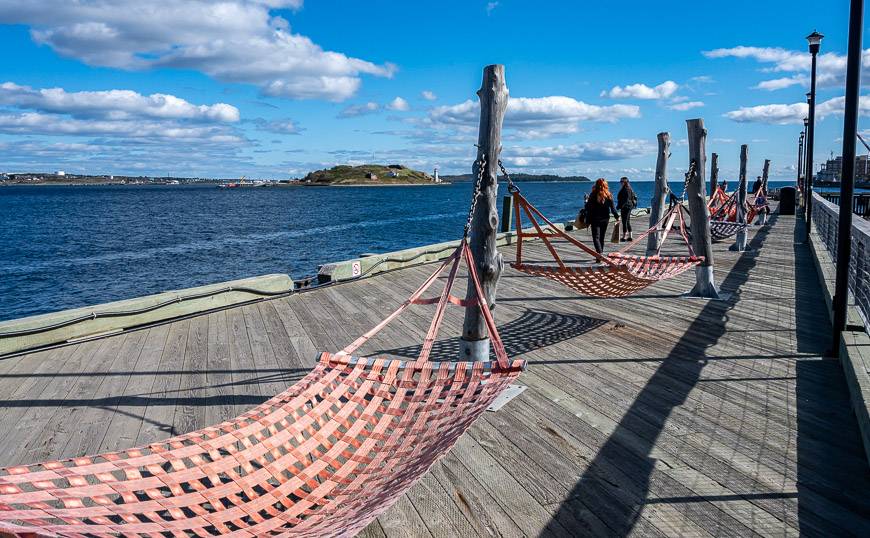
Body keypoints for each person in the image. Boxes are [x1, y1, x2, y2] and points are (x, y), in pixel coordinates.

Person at [584, 178, 619, 254]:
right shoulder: (609, 195)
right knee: (601, 238)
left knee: (596, 237)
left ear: (596, 185)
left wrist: (586, 201)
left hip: (595, 219)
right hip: (605, 219)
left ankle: (600, 255)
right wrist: (617, 217)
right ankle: (600, 255)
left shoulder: (593, 194)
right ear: (606, 185)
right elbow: (613, 209)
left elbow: (587, 207)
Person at [615, 176, 637, 242]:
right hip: (628, 206)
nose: (620, 183)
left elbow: (625, 200)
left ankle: (624, 237)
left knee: (625, 221)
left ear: (625, 182)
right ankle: (630, 236)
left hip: (626, 207)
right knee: (627, 221)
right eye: (620, 181)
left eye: (622, 181)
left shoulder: (626, 189)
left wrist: (618, 207)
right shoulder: (629, 188)